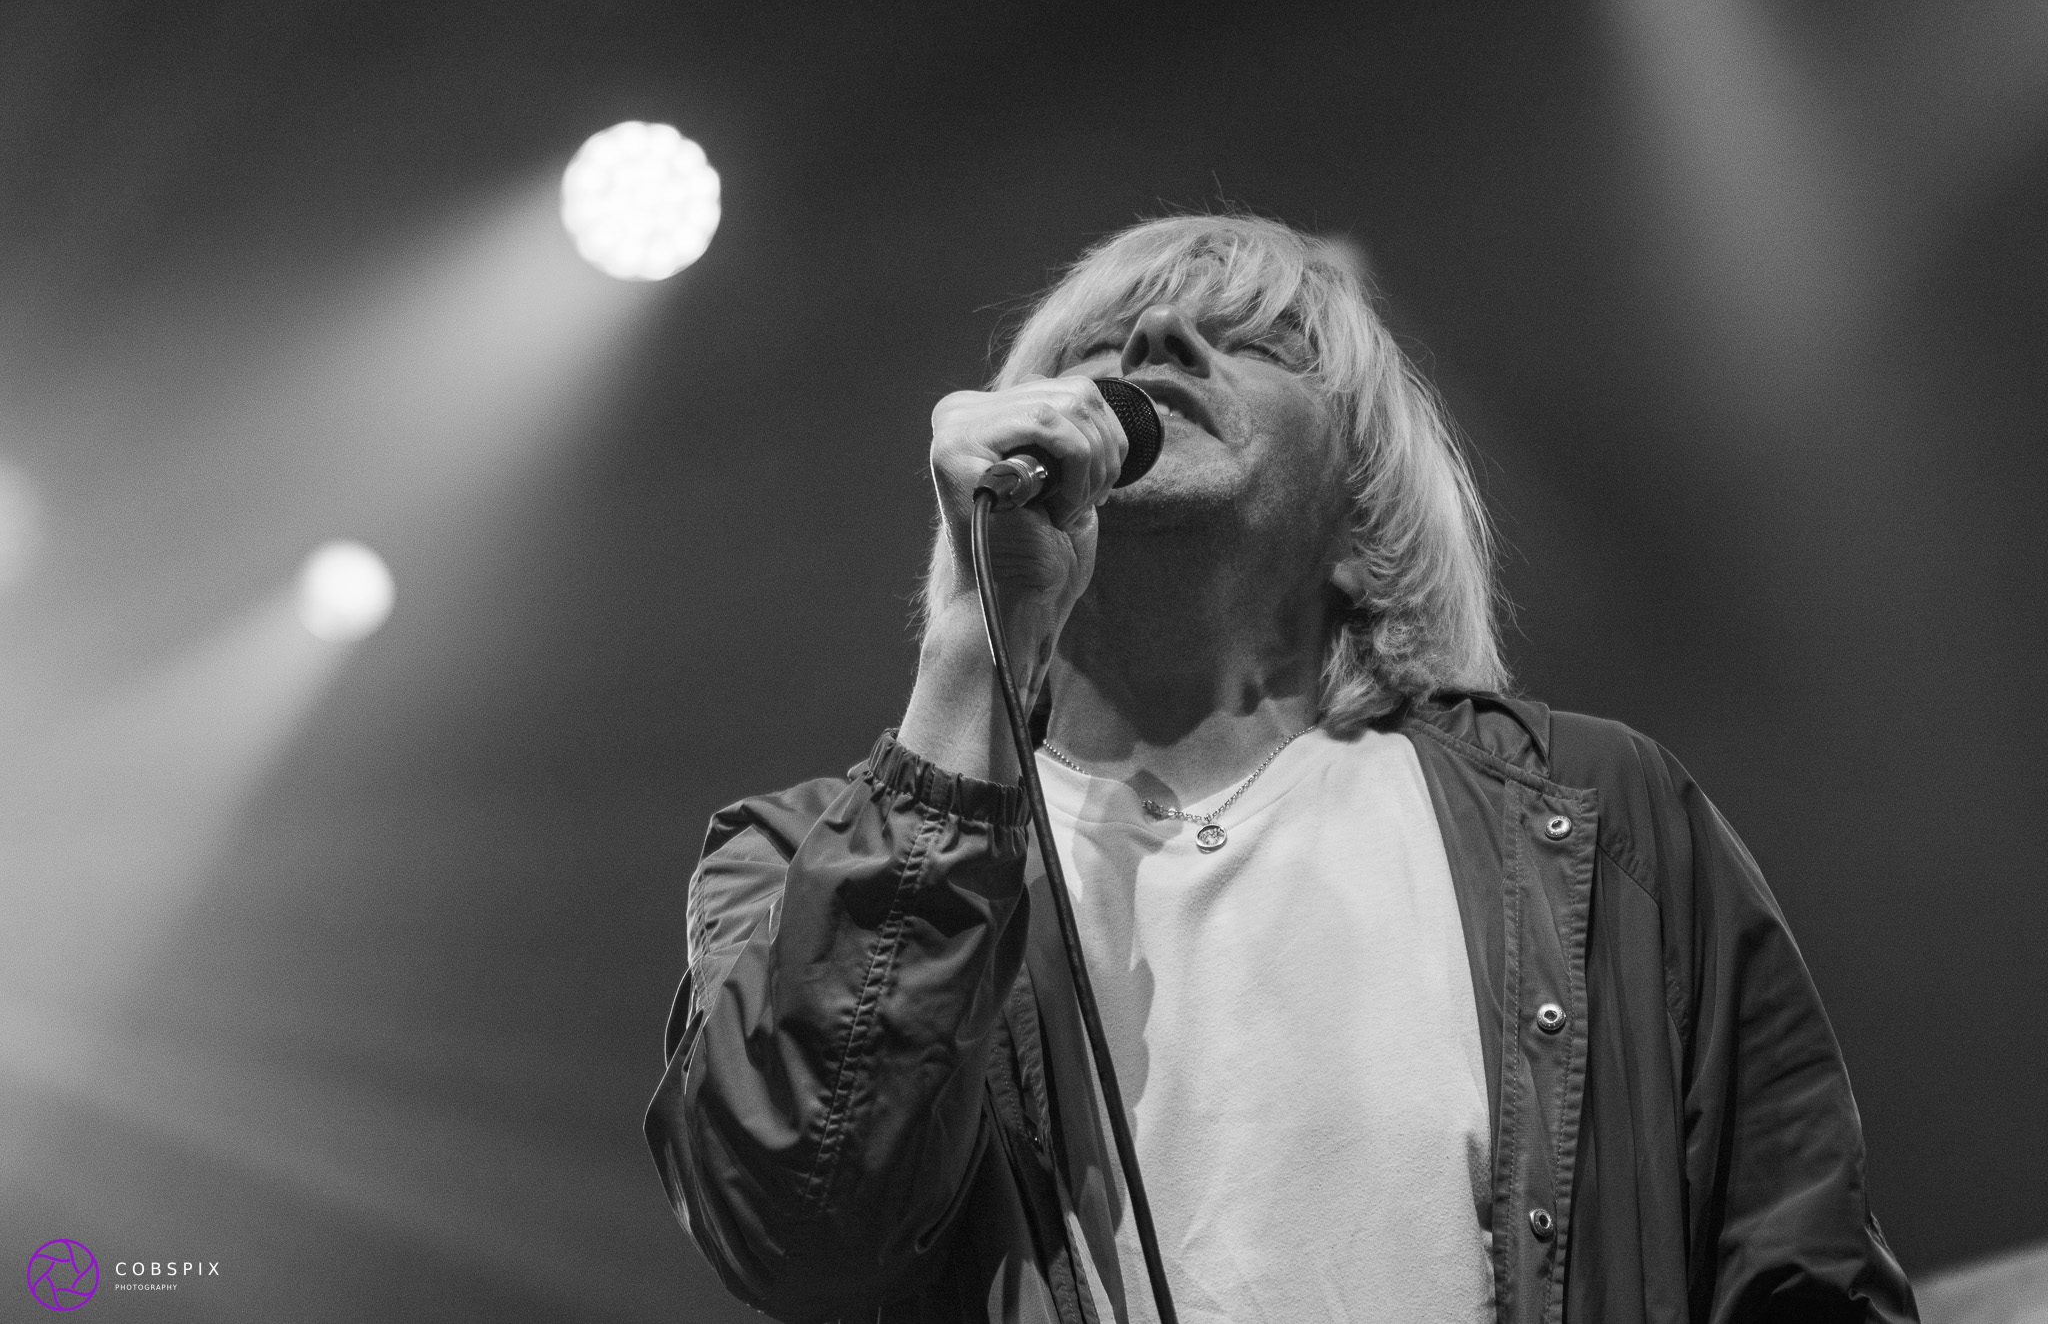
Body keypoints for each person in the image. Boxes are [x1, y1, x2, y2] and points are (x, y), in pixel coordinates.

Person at [645, 214, 1918, 1324]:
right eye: (1097, 344)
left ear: (1361, 522)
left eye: (1253, 339)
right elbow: (797, 1231)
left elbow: (1796, 1273)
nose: (1155, 345)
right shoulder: (805, 864)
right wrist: (978, 640)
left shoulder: (1595, 815)